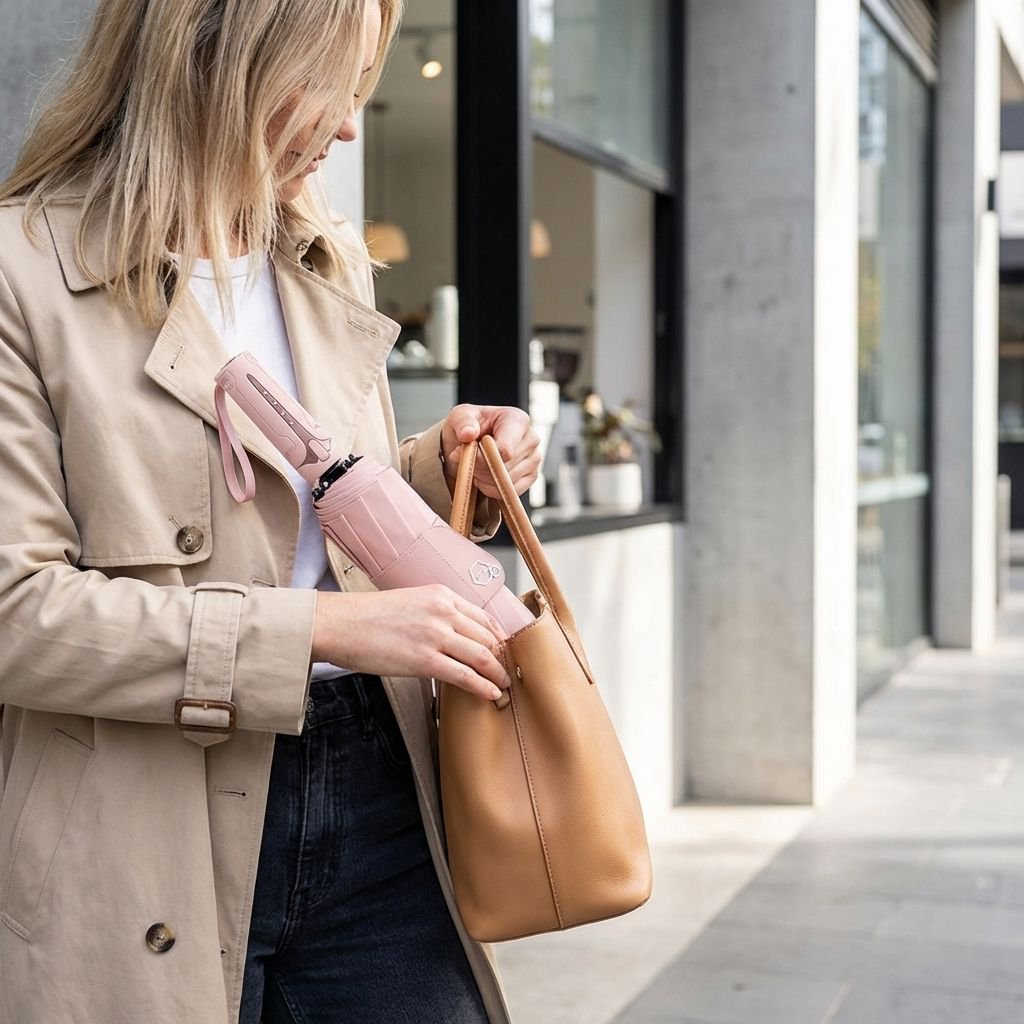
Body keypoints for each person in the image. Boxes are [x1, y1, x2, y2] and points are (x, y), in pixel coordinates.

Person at [0, 0, 541, 1021]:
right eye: (326, 84)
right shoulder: (20, 273)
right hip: (134, 809)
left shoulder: (316, 247)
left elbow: (313, 506)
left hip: (381, 782)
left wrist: (442, 471)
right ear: (214, 57)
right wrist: (324, 630)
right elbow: (15, 611)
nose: (346, 128)